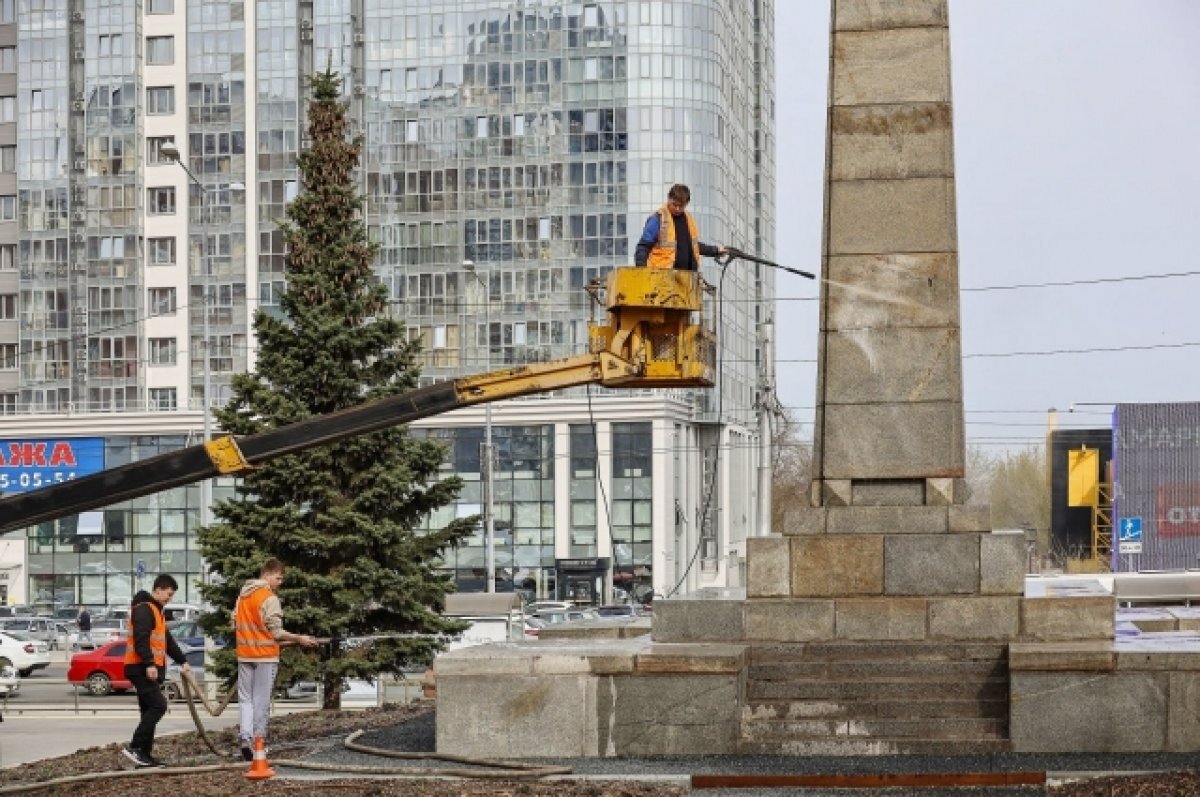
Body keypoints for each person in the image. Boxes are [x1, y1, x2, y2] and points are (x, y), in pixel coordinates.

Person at [235, 558, 318, 761]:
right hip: (265, 657)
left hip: (245, 655)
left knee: (245, 700)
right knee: (260, 701)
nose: (280, 582)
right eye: (278, 578)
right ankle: (258, 743)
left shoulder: (242, 597)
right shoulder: (269, 598)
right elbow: (277, 632)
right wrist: (299, 638)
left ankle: (245, 739)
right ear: (268, 574)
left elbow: (234, 622)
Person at [122, 575, 190, 768]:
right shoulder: (144, 609)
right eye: (168, 594)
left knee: (148, 710)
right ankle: (135, 747)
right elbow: (141, 639)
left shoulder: (156, 610)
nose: (170, 598)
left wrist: (182, 660)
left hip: (143, 667)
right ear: (159, 589)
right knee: (158, 706)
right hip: (140, 668)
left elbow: (167, 641)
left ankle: (143, 755)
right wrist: (149, 664)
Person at [634, 184, 727, 271]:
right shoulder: (658, 218)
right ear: (669, 198)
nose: (677, 209)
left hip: (687, 279)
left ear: (687, 203)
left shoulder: (688, 219)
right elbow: (643, 246)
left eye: (681, 206)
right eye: (674, 204)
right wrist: (641, 271)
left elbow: (693, 246)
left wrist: (715, 250)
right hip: (662, 277)